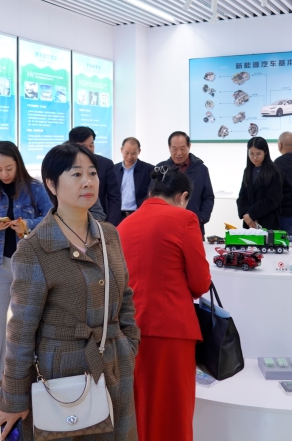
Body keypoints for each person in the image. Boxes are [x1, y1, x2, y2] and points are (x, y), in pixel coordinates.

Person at [0, 143, 140, 441]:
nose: (88, 182)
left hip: (114, 364)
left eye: (92, 173)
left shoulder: (109, 234)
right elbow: (21, 330)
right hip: (61, 375)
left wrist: (129, 342)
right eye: (76, 174)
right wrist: (13, 397)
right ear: (51, 184)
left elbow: (125, 296)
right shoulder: (35, 248)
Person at [118, 167, 211, 441]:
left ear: (151, 192)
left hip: (129, 330)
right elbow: (200, 282)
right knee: (173, 412)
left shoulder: (124, 226)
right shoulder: (185, 219)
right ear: (182, 196)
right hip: (172, 330)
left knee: (138, 409)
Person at [0, 141, 51, 415]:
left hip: (28, 264)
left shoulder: (35, 189)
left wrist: (28, 225)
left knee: (27, 325)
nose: (4, 174)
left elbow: (51, 219)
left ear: (18, 164)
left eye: (9, 168)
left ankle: (28, 386)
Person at [156, 131, 215, 237]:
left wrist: (202, 217)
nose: (179, 153)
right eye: (175, 149)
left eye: (183, 148)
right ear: (169, 148)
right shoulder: (161, 169)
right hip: (165, 226)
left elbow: (208, 197)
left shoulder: (201, 169)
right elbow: (153, 197)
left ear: (189, 146)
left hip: (194, 225)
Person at [69, 126, 122, 225]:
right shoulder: (66, 164)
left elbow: (114, 197)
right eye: (84, 146)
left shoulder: (105, 164)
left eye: (91, 145)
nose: (89, 149)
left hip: (100, 219)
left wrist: (111, 225)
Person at [237, 137, 283, 230]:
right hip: (249, 222)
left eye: (258, 154)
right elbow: (242, 196)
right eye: (251, 154)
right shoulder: (248, 170)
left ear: (265, 152)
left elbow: (273, 200)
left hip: (267, 221)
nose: (254, 158)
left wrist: (252, 214)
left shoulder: (273, 171)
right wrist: (246, 215)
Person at [114, 137, 153, 221]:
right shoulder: (114, 169)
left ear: (139, 151)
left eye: (133, 153)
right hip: (118, 215)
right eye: (127, 153)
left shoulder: (149, 169)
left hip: (140, 214)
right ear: (121, 150)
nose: (129, 157)